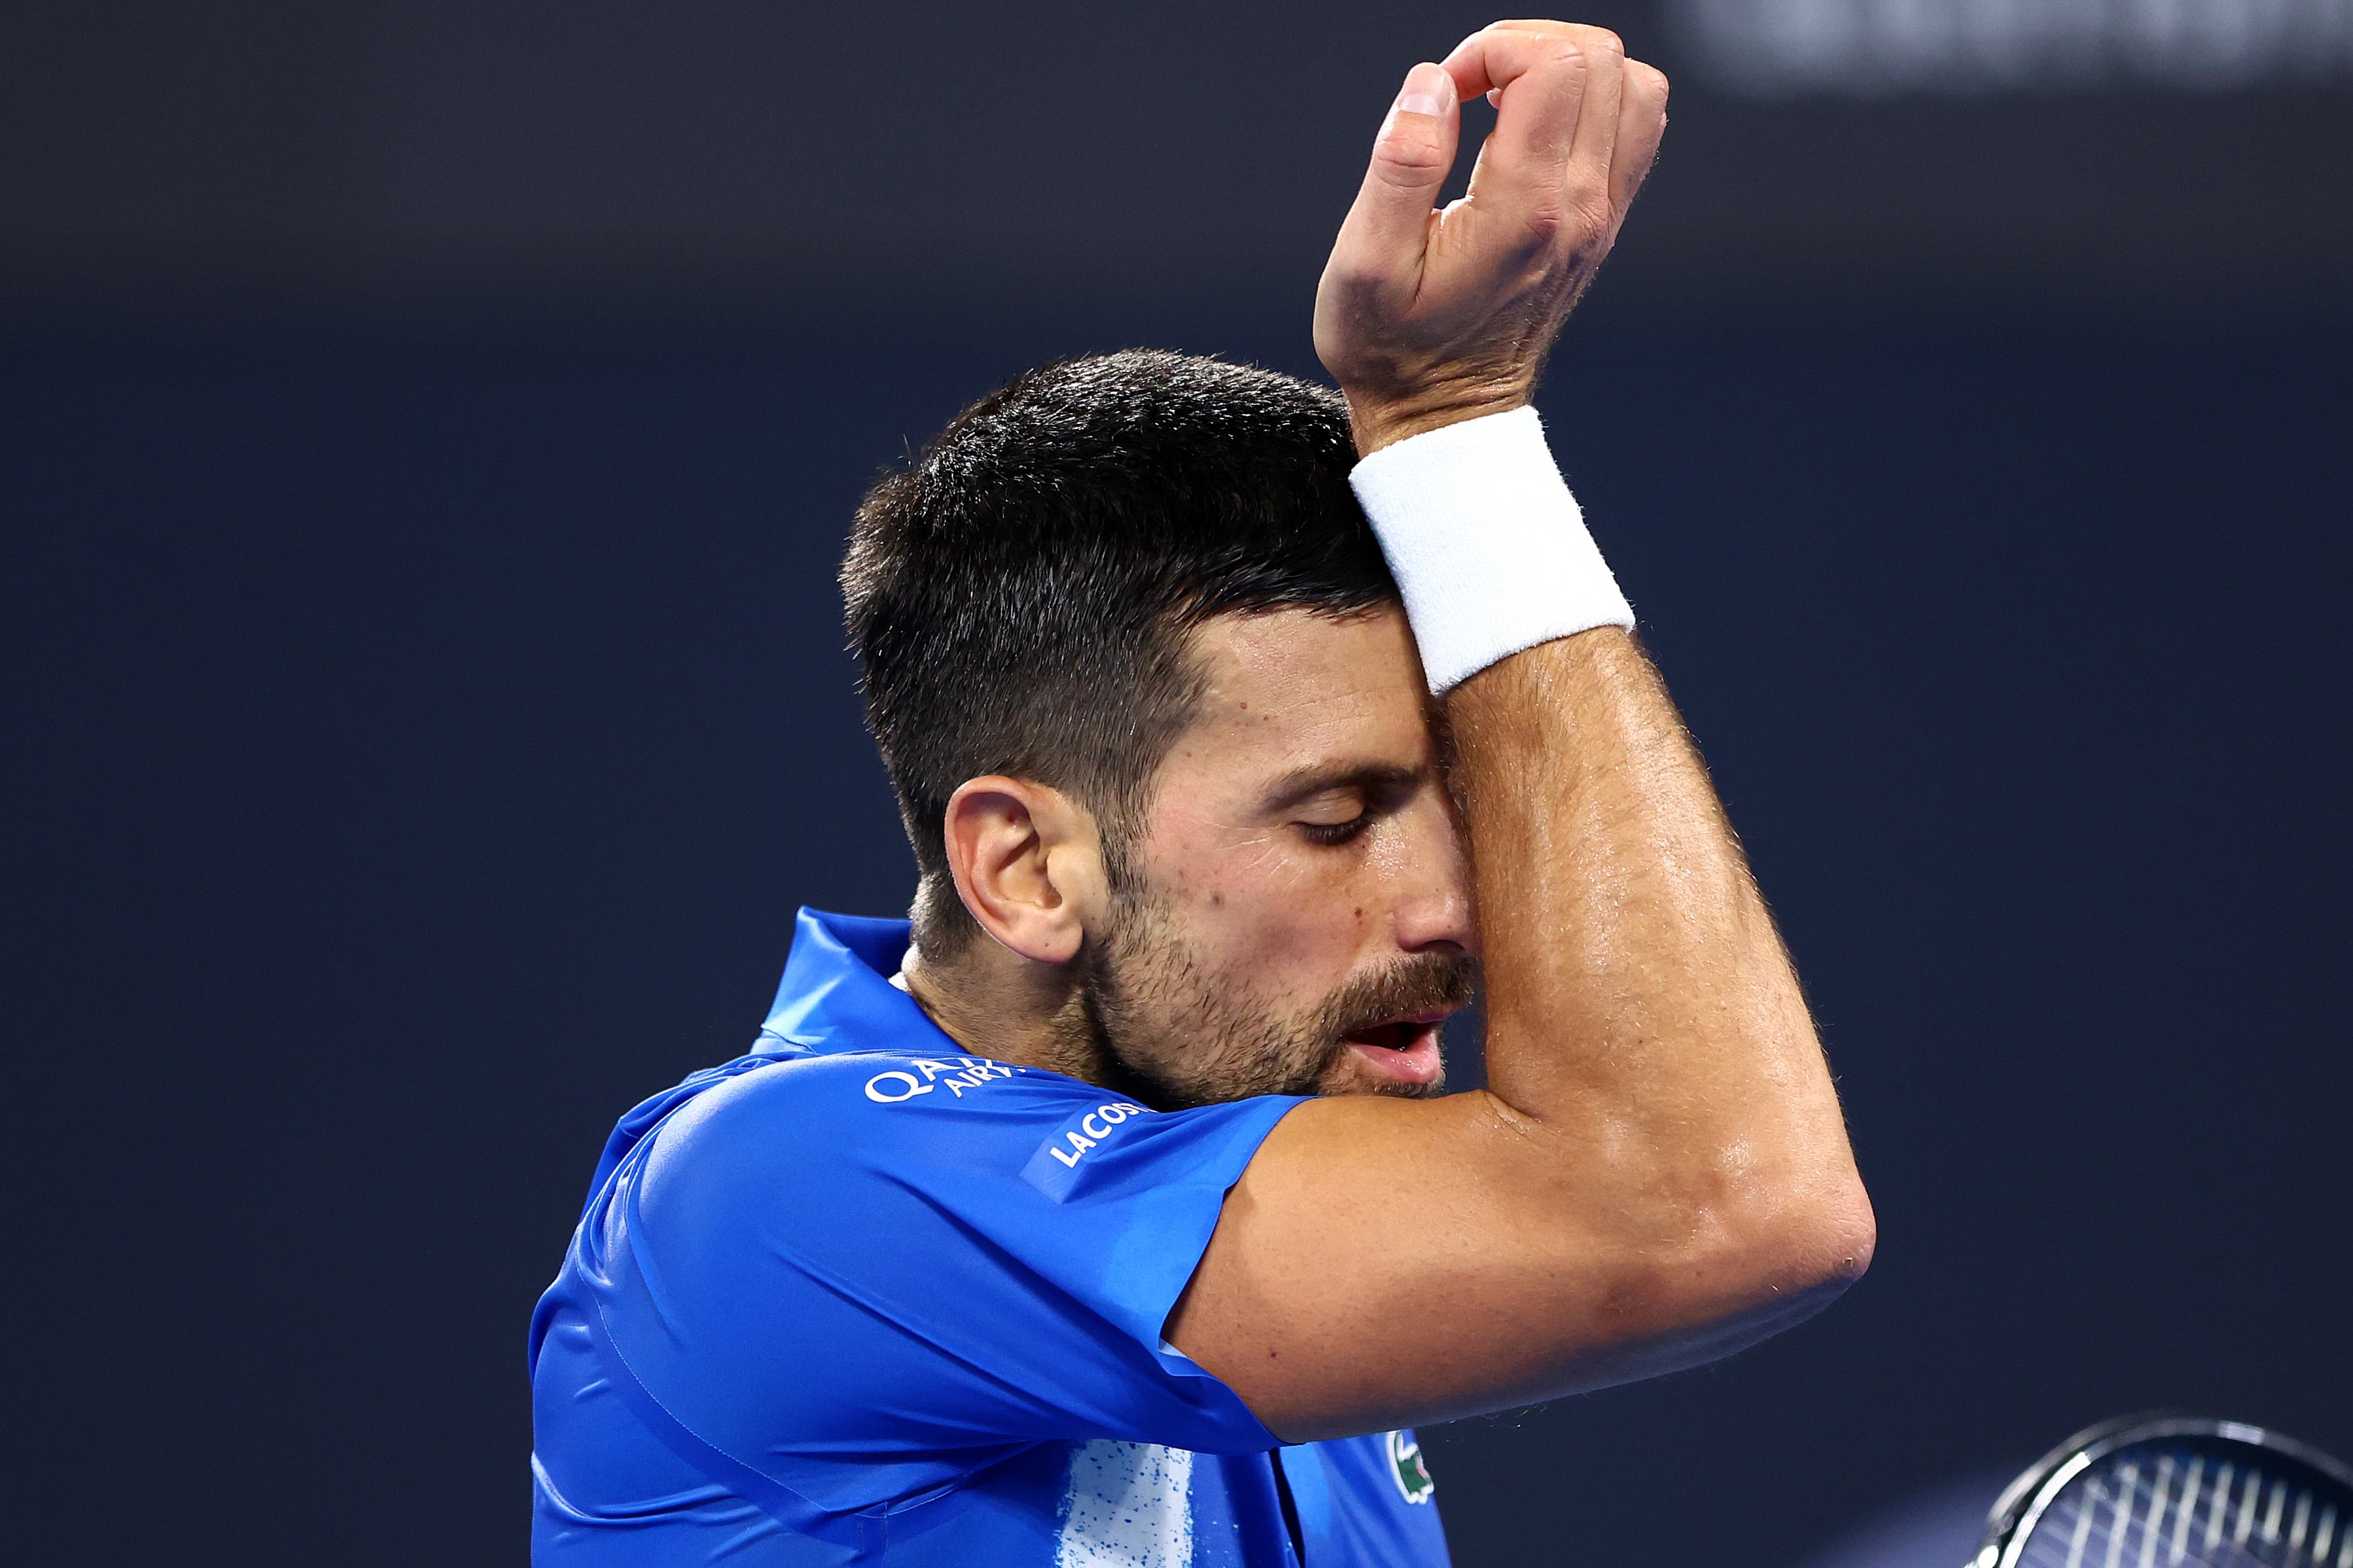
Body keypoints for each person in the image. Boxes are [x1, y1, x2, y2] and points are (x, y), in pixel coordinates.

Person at [529, 19, 1874, 1566]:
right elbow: (1727, 1202)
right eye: (1334, 817)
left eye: (1458, 802)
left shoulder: (1285, 1298)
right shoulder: (777, 1199)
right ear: (1025, 867)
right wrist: (1450, 428)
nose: (1454, 908)